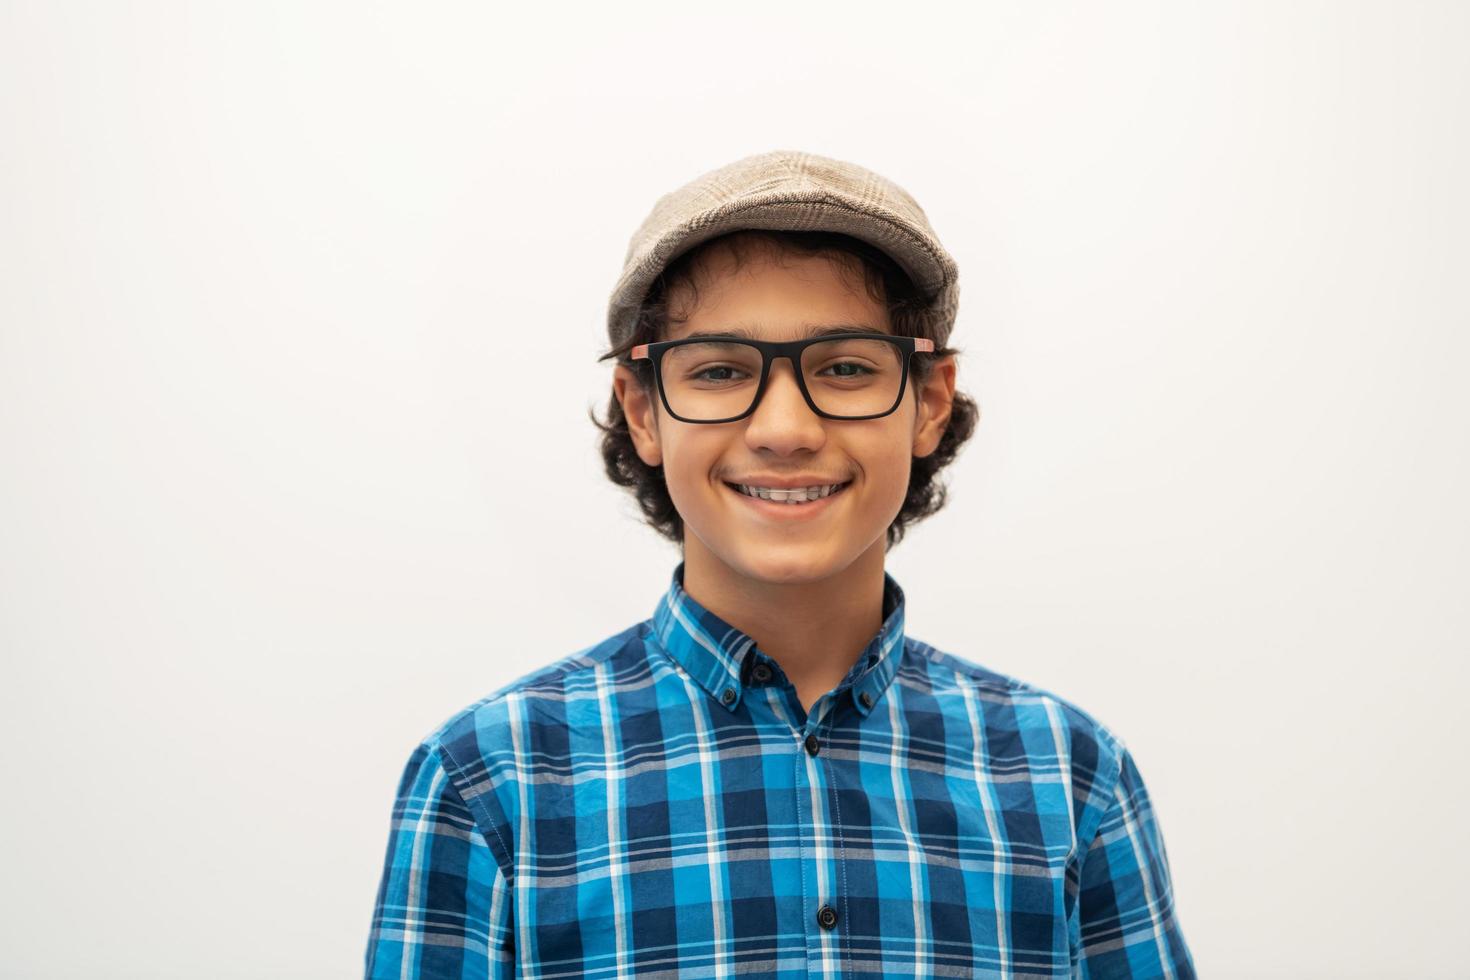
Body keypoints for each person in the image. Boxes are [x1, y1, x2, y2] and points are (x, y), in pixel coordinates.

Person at [364, 150, 1196, 978]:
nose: (786, 429)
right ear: (643, 411)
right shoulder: (489, 783)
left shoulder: (1071, 779)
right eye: (721, 371)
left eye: (845, 367)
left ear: (930, 402)